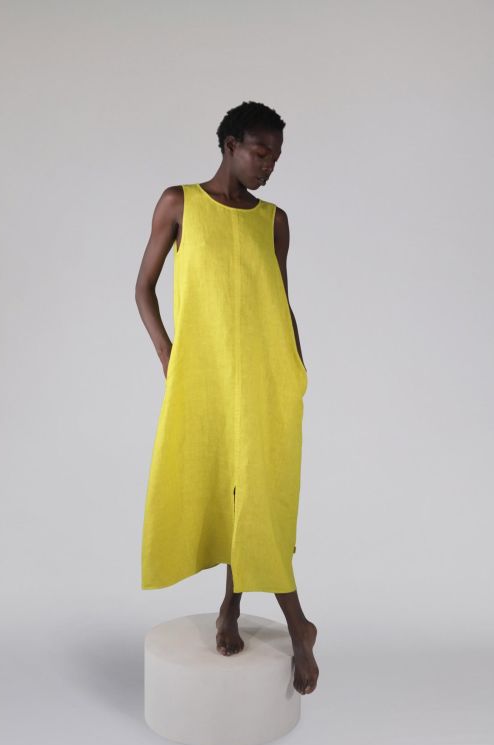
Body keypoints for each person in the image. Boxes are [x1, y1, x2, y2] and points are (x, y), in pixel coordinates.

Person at [135, 101, 318, 695]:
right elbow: (143, 289)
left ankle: (297, 625)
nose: (269, 166)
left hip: (267, 379)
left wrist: (296, 368)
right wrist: (167, 354)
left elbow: (280, 301)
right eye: (261, 153)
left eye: (276, 157)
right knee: (218, 490)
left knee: (260, 497)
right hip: (205, 378)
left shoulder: (275, 221)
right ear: (231, 144)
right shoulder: (179, 203)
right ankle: (232, 610)